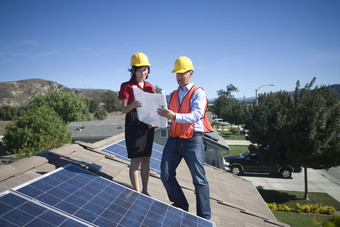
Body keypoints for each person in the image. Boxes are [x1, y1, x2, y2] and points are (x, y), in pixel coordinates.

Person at [157, 56, 214, 219]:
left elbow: (196, 115)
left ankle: (204, 217)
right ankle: (181, 205)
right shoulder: (172, 94)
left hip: (192, 140)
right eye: (177, 73)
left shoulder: (198, 92)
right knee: (165, 174)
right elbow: (165, 113)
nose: (179, 76)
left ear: (191, 73)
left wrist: (174, 116)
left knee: (199, 180)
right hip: (174, 139)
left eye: (183, 73)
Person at [118, 52, 155, 195]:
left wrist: (153, 121)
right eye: (140, 70)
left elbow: (153, 107)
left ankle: (145, 191)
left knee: (146, 158)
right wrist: (133, 104)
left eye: (145, 69)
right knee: (135, 160)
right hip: (133, 121)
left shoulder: (150, 87)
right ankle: (137, 192)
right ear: (133, 70)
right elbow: (123, 110)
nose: (143, 72)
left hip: (147, 124)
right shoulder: (126, 86)